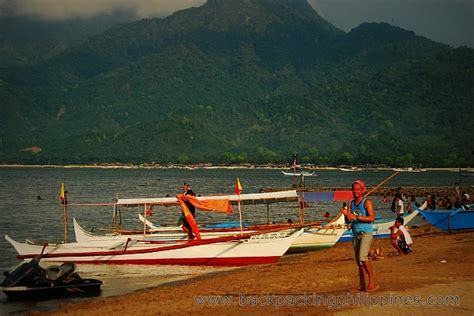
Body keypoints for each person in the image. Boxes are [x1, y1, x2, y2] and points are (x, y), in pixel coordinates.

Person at [341, 180, 378, 292]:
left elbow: (371, 218)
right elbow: (350, 219)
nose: (355, 191)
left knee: (363, 257)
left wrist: (355, 217)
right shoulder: (351, 203)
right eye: (354, 189)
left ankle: (372, 282)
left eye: (358, 189)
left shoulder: (367, 202)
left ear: (362, 190)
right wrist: (346, 216)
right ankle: (362, 285)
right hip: (355, 233)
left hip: (366, 232)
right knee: (359, 262)